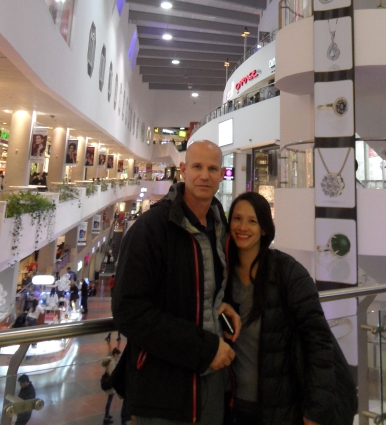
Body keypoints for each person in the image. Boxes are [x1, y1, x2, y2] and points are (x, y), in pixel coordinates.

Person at [113, 139, 241, 425]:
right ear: (183, 170)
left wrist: (223, 305)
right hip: (162, 391)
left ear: (222, 175)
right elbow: (128, 311)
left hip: (212, 383)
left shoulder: (219, 226)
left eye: (212, 169)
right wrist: (203, 349)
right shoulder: (150, 229)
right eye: (197, 167)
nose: (204, 175)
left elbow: (205, 288)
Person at [225, 192, 357, 425]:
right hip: (234, 407)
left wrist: (316, 410)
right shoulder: (224, 275)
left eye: (252, 221)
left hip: (282, 410)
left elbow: (318, 341)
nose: (242, 227)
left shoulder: (287, 272)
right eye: (237, 219)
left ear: (264, 229)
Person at [101, 347, 121, 423]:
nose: (119, 357)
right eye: (118, 355)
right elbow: (112, 374)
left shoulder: (110, 359)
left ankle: (107, 415)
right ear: (115, 354)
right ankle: (106, 418)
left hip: (108, 382)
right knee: (109, 401)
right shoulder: (112, 363)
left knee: (109, 400)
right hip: (110, 385)